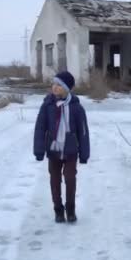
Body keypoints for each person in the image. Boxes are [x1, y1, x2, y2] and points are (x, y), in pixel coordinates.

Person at [33, 71, 90, 223]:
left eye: (59, 85)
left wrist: (84, 153)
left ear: (67, 88)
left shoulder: (77, 108)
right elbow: (40, 128)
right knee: (55, 180)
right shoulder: (47, 106)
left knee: (70, 179)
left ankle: (70, 209)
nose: (55, 87)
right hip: (53, 151)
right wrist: (39, 150)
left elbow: (83, 132)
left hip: (71, 151)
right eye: (54, 84)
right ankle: (58, 210)